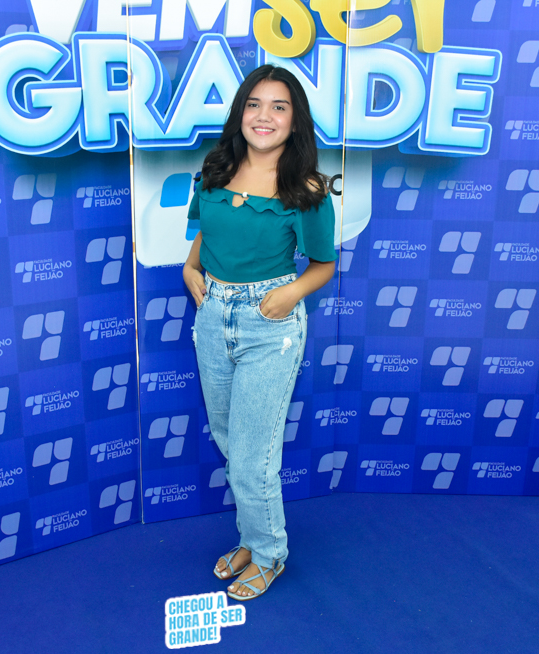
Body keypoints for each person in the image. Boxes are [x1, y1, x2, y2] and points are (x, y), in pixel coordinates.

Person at [182, 64, 337, 601]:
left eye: (279, 106)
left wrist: (291, 293)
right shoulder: (215, 170)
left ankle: (270, 554)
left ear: (294, 120)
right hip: (213, 317)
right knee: (231, 442)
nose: (264, 116)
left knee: (253, 456)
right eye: (254, 104)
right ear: (240, 112)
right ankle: (252, 537)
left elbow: (323, 265)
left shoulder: (307, 189)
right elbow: (205, 230)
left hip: (269, 323)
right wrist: (190, 267)